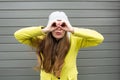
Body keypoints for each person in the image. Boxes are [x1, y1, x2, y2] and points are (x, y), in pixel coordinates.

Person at [14, 11, 104, 80]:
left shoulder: (74, 39)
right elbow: (18, 35)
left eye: (63, 25)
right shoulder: (41, 39)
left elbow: (99, 38)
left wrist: (72, 30)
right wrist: (45, 30)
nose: (59, 28)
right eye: (54, 25)